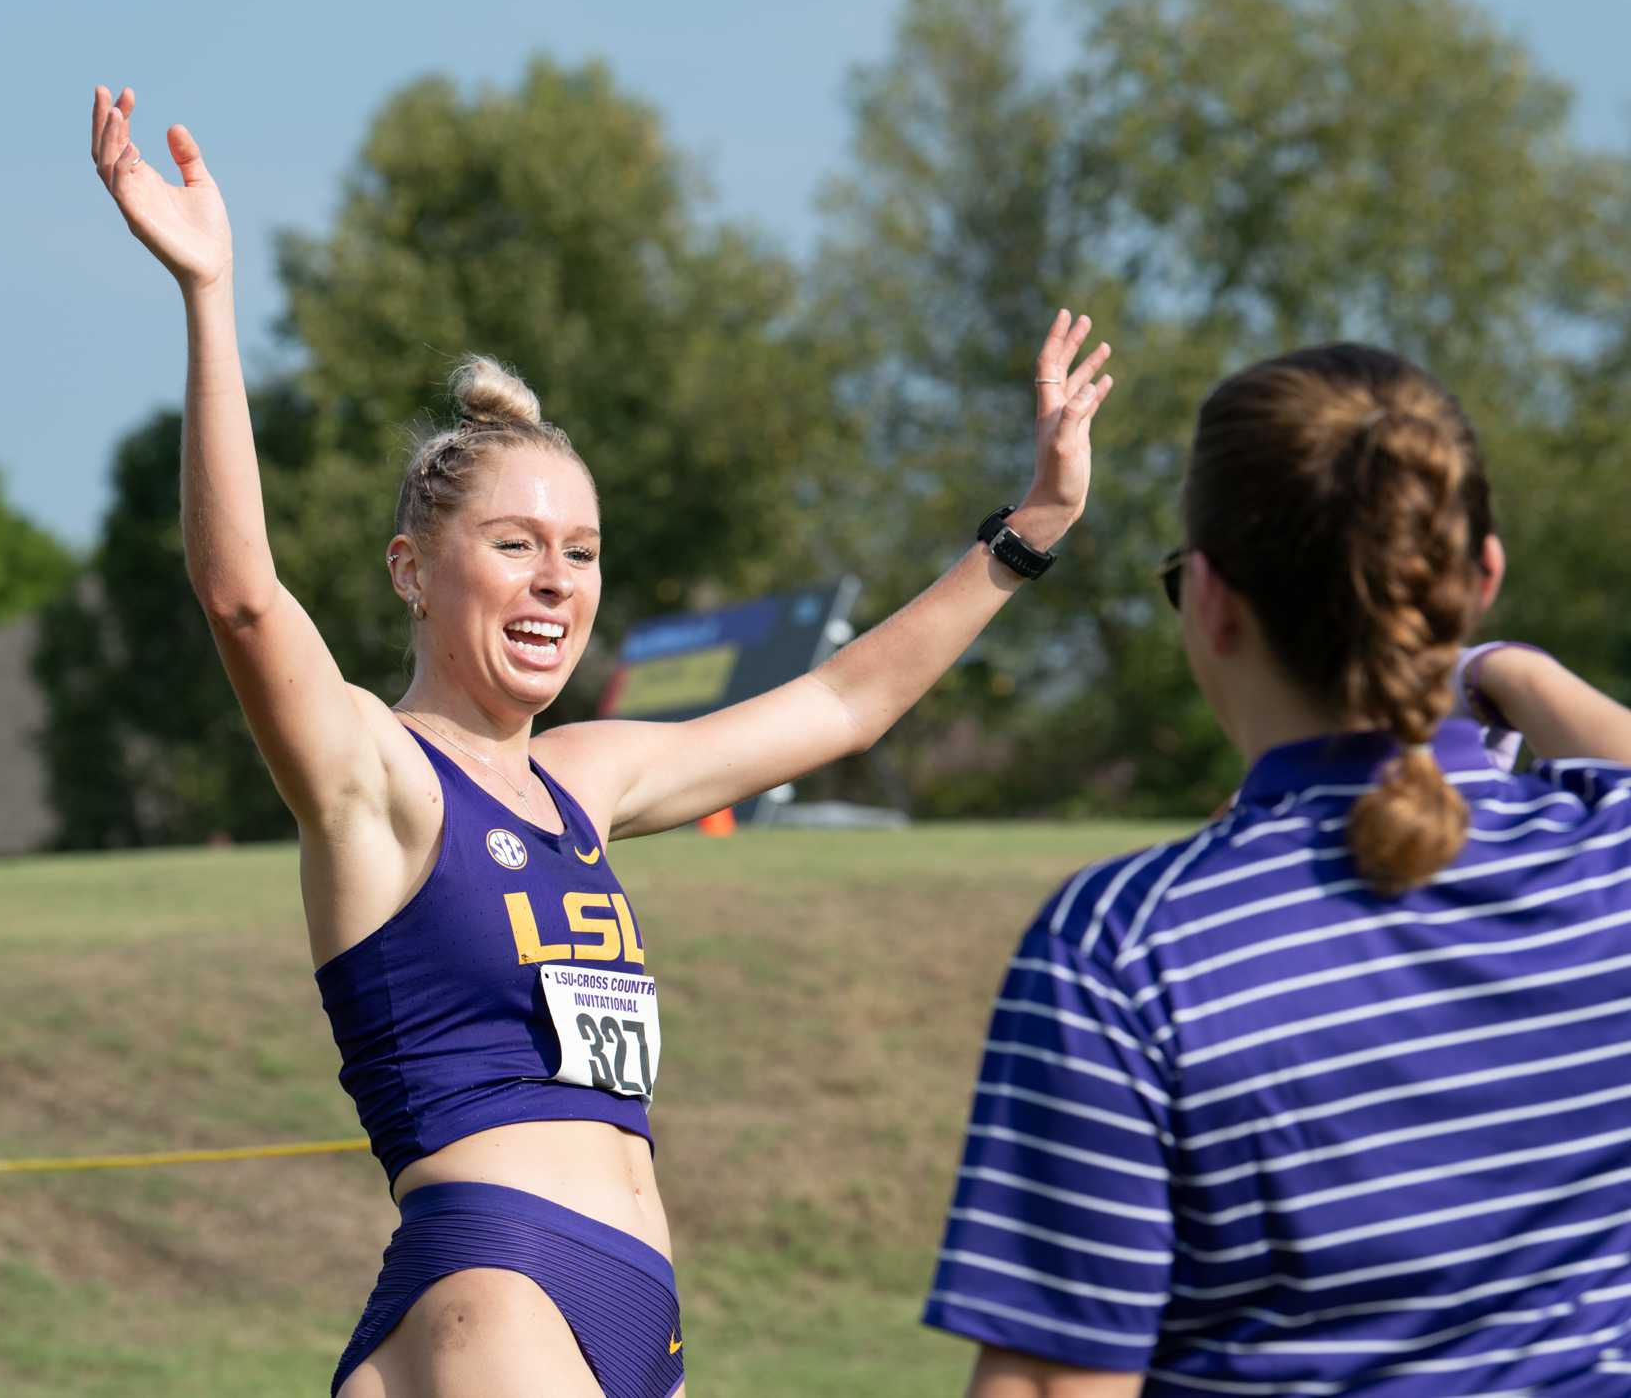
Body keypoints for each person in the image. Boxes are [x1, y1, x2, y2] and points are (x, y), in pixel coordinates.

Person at [86, 83, 1113, 1398]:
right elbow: (240, 595)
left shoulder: (586, 776)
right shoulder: (375, 776)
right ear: (413, 567)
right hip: (495, 1290)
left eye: (580, 553)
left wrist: (1027, 530)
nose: (556, 582)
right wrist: (209, 294)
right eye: (513, 546)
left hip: (641, 1312)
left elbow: (844, 703)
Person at [925, 342, 1631, 1397]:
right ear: (1482, 575)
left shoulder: (1123, 946)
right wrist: (1508, 671)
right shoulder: (1604, 864)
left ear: (1208, 599)